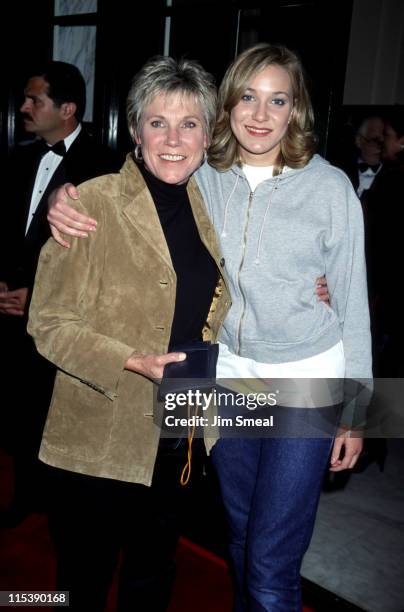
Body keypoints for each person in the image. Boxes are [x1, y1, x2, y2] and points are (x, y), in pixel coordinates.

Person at [46, 44, 368, 612]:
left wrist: (357, 410)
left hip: (302, 382)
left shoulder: (325, 188)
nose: (261, 113)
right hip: (223, 385)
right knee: (235, 539)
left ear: (297, 110)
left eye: (278, 100)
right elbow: (55, 310)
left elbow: (352, 302)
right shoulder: (203, 180)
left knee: (267, 560)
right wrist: (60, 196)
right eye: (247, 96)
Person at [27, 56, 230, 612]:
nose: (173, 138)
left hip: (180, 429)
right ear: (135, 130)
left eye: (189, 123)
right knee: (82, 584)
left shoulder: (216, 206)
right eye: (157, 122)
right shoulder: (89, 204)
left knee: (152, 575)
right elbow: (48, 323)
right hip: (98, 435)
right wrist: (131, 360)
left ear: (208, 134)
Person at [0, 61, 121, 528]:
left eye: (36, 100)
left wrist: (43, 297)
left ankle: (64, 510)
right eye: (26, 99)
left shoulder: (106, 165)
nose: (24, 107)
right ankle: (26, 495)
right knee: (19, 413)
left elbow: (105, 256)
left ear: (67, 108)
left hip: (67, 319)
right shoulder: (17, 157)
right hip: (11, 313)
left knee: (59, 415)